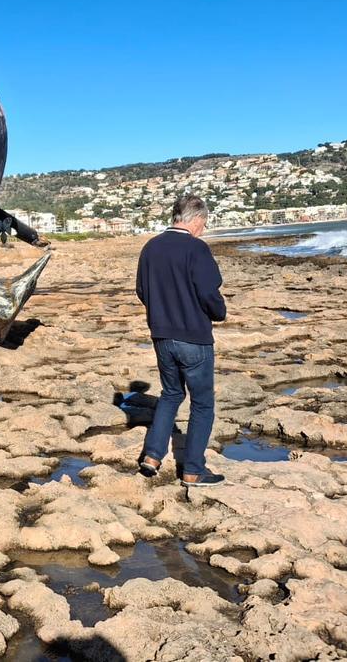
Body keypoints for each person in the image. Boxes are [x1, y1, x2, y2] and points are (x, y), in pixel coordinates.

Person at [135, 194, 227, 486]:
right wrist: (219, 312)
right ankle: (193, 470)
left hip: (162, 335)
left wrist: (162, 312)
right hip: (193, 337)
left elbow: (142, 291)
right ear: (196, 219)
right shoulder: (196, 248)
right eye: (204, 223)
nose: (203, 228)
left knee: (171, 394)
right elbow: (208, 292)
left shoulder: (151, 247)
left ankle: (152, 457)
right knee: (202, 404)